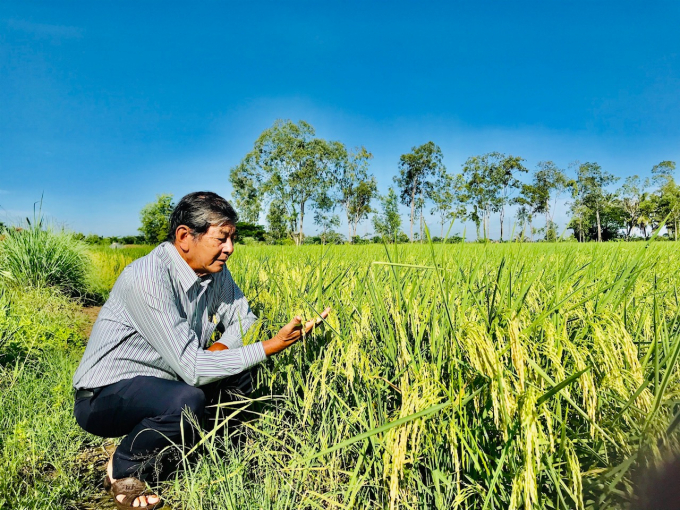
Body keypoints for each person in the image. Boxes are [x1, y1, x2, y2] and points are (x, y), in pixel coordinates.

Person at [72, 191, 330, 509]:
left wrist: (221, 348)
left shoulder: (213, 273)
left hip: (163, 382)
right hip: (103, 396)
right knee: (188, 398)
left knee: (239, 371)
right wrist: (270, 346)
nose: (230, 249)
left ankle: (207, 447)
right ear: (185, 237)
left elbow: (244, 320)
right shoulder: (148, 278)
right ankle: (122, 467)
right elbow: (193, 370)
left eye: (232, 239)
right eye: (222, 239)